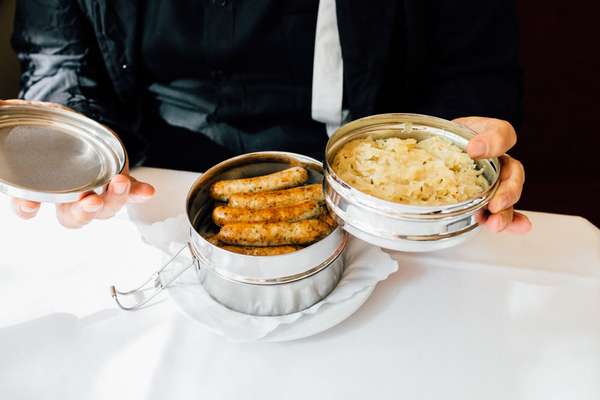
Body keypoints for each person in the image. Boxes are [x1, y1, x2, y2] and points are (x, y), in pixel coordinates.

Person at [5, 0, 531, 233]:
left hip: (354, 198)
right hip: (147, 186)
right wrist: (71, 153)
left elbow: (474, 65)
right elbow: (59, 55)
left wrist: (453, 158)